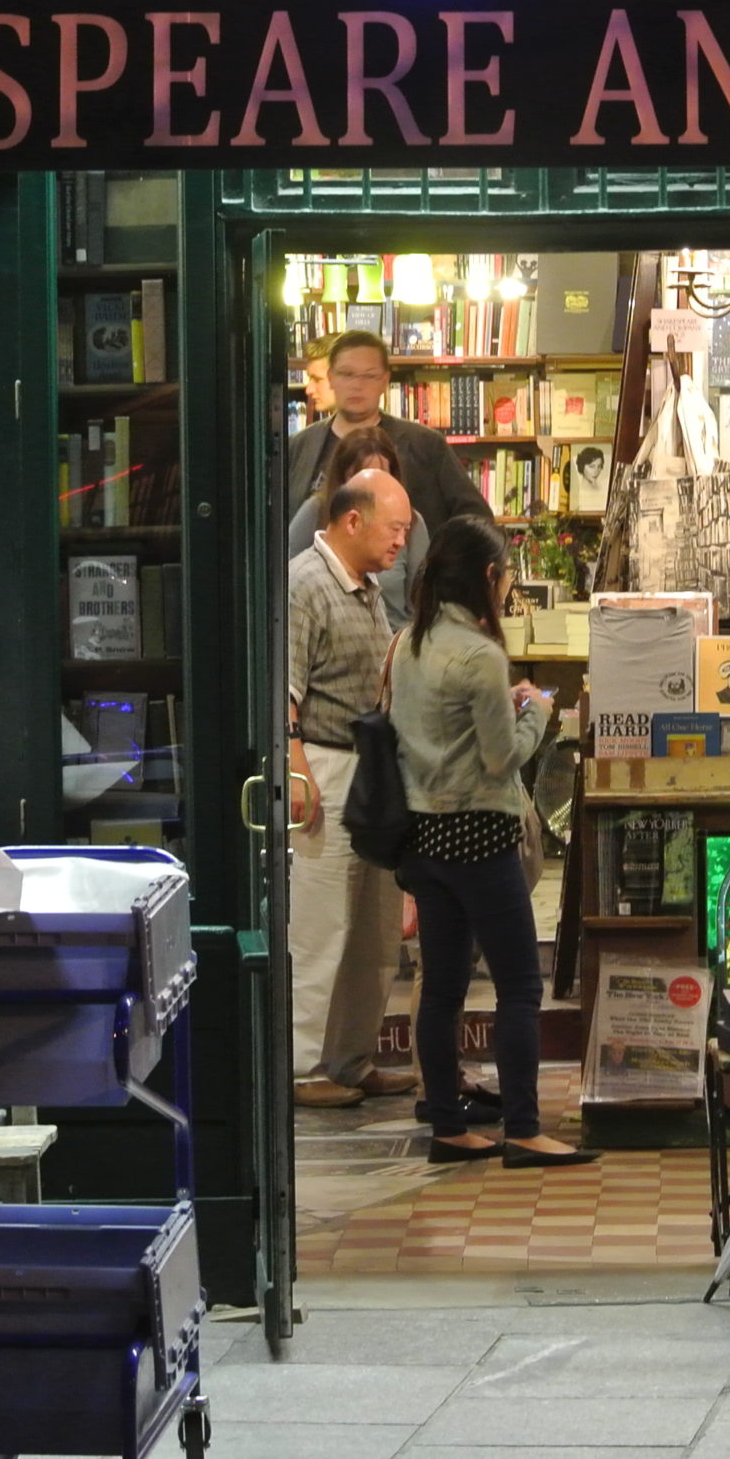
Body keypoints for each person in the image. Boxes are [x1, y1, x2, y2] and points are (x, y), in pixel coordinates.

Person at [390, 516, 596, 1169]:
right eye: (506, 578)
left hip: (423, 834)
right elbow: (502, 758)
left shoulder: (411, 643)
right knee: (518, 987)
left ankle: (449, 1127)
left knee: (445, 989)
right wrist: (536, 711)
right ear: (487, 577)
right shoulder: (478, 653)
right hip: (481, 834)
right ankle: (527, 1129)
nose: (507, 590)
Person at [283, 468, 419, 1110]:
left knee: (374, 929)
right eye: (395, 528)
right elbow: (284, 691)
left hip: (367, 764)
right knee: (319, 924)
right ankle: (303, 1063)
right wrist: (295, 767)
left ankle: (351, 1057)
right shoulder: (303, 583)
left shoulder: (367, 588)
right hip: (325, 765)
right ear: (353, 520)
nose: (402, 541)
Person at [285, 330, 493, 541]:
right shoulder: (298, 447)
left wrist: (440, 567)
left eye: (369, 375)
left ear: (385, 381)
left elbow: (478, 519)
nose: (358, 384)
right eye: (347, 374)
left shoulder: (426, 445)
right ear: (331, 378)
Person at [287, 425, 424, 630]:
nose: (370, 488)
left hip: (396, 642)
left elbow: (422, 601)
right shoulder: (316, 511)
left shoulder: (411, 522)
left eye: (380, 476)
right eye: (359, 477)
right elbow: (289, 581)